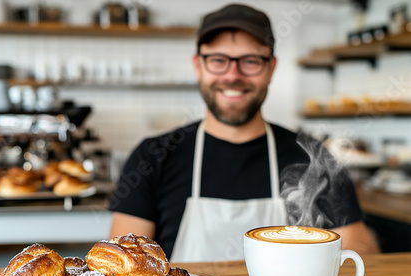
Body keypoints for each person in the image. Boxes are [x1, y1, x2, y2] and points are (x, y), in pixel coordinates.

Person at [107, 3, 380, 261]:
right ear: (198, 66)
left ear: (271, 68)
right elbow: (125, 263)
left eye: (250, 61)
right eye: (217, 60)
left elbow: (359, 251)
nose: (233, 75)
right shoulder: (153, 157)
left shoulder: (312, 158)